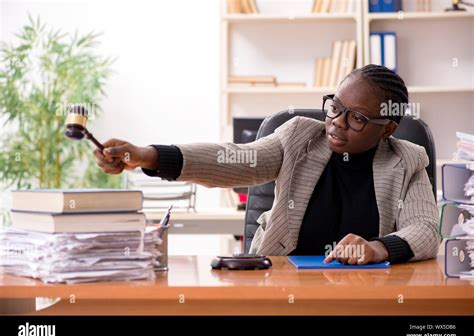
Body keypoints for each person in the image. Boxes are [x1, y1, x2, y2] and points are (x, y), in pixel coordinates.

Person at [94, 64, 440, 264]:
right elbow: (232, 160)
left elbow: (425, 230)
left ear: (388, 129)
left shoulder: (406, 159)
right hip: (279, 284)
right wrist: (147, 155)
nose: (336, 121)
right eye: (335, 107)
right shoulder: (299, 137)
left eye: (358, 119)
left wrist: (377, 248)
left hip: (366, 295)